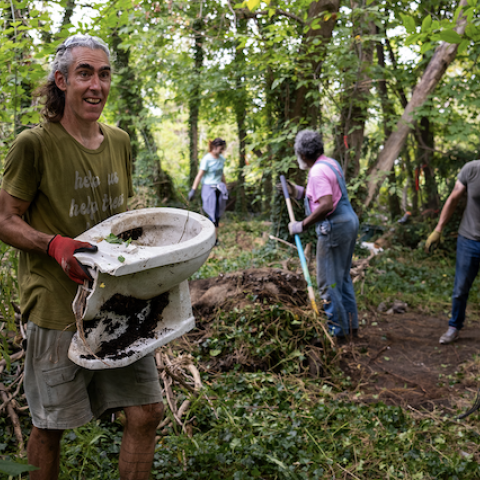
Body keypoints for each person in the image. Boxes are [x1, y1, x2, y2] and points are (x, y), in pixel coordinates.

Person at [0, 34, 164, 480]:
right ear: (61, 80)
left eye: (104, 74)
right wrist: (52, 244)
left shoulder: (120, 141)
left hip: (117, 301)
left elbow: (118, 221)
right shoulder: (34, 145)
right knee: (50, 427)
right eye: (85, 73)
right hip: (58, 307)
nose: (96, 85)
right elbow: (5, 219)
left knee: (146, 412)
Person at [284, 130, 359, 340]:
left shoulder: (316, 172)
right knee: (342, 278)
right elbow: (323, 194)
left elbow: (325, 204)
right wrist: (296, 191)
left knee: (328, 282)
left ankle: (338, 333)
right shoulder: (330, 163)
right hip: (349, 222)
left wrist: (302, 225)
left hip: (334, 227)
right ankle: (352, 328)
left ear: (303, 154)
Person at [425, 160, 480, 345]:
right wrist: (438, 229)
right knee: (460, 289)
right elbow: (453, 198)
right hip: (468, 239)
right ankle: (454, 327)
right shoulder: (472, 169)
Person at [188, 138, 228, 244]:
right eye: (221, 148)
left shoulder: (221, 159)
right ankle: (212, 239)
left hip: (219, 188)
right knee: (212, 214)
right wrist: (193, 189)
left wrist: (226, 186)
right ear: (214, 147)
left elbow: (222, 174)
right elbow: (199, 175)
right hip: (209, 189)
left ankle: (214, 238)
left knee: (217, 215)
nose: (222, 151)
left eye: (223, 149)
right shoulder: (207, 159)